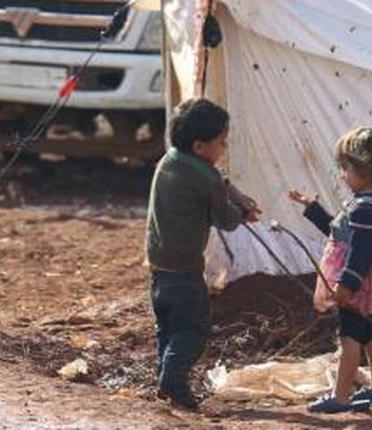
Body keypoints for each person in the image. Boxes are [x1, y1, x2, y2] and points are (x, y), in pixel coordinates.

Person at [288, 126, 372, 414]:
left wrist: (347, 285)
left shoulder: (366, 209)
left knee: (350, 336)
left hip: (357, 282)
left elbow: (360, 252)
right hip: (363, 281)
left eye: (345, 168)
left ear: (364, 169)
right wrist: (312, 208)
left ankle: (340, 397)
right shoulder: (367, 205)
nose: (342, 174)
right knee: (369, 333)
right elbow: (338, 232)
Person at [146, 97, 261, 410]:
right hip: (185, 272)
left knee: (168, 329)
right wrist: (242, 212)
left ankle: (164, 378)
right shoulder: (205, 177)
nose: (224, 149)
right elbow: (225, 219)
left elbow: (212, 183)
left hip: (158, 269)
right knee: (193, 330)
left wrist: (230, 191)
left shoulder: (169, 160)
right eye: (221, 143)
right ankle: (173, 380)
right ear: (200, 146)